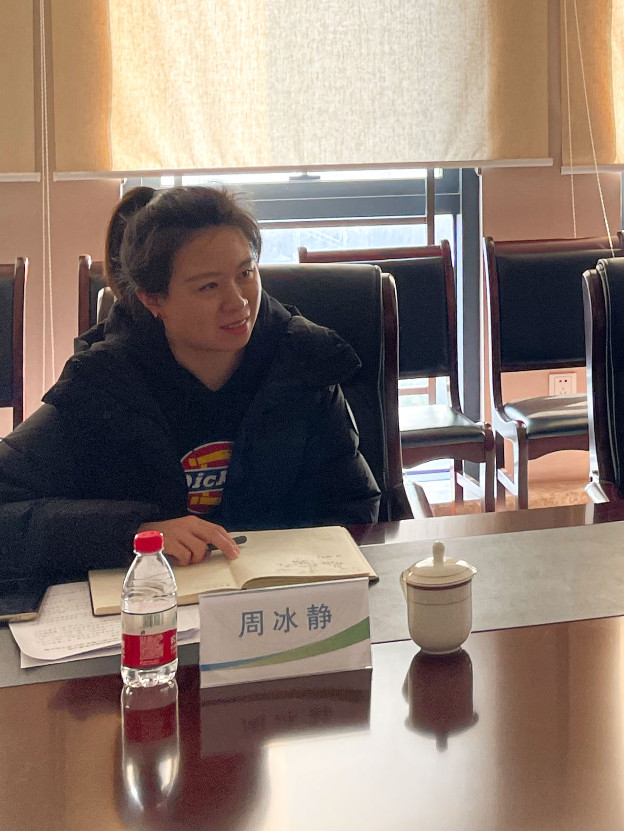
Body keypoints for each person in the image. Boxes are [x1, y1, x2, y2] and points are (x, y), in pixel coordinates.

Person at [0, 186, 382, 585]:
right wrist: (136, 533)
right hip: (153, 600)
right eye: (208, 286)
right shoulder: (104, 384)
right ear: (153, 300)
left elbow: (355, 505)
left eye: (246, 273)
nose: (238, 302)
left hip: (277, 597)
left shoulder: (303, 361)